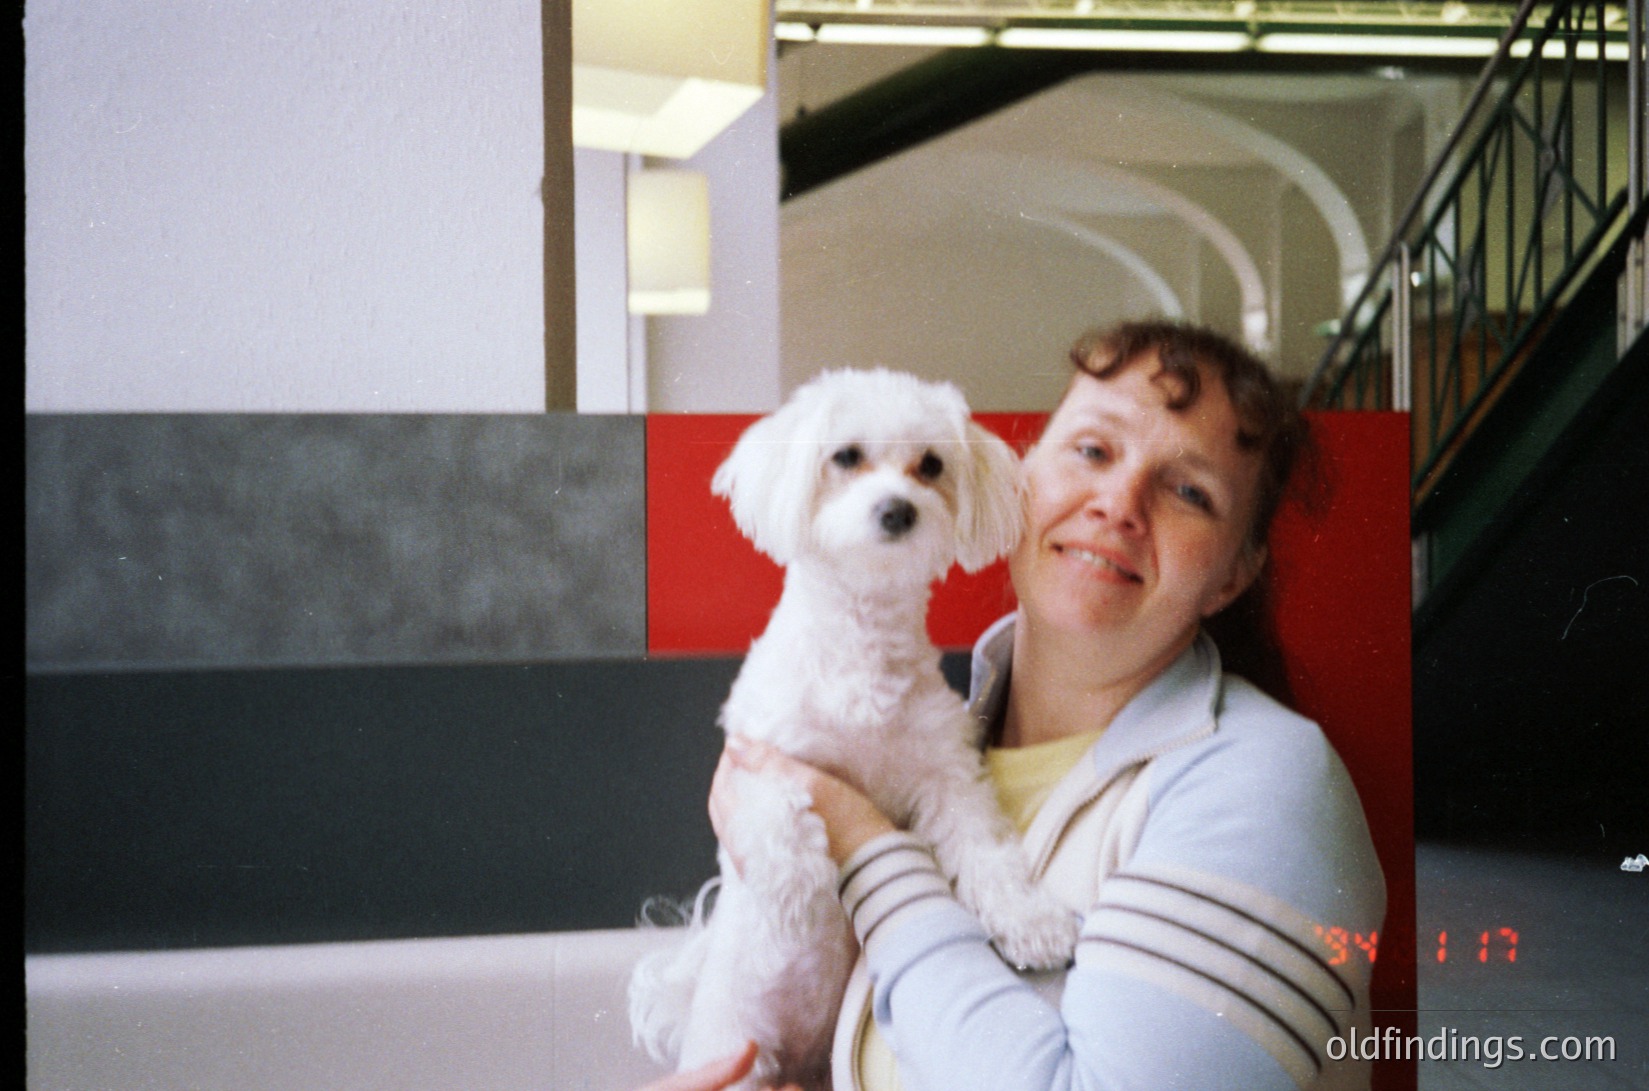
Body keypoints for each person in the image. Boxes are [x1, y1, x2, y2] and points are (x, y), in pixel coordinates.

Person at [701, 320, 1385, 1091]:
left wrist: (864, 848)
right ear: (1021, 480)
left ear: (1233, 576)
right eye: (1093, 451)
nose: (1119, 503)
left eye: (1189, 490)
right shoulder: (943, 732)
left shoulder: (1265, 784)